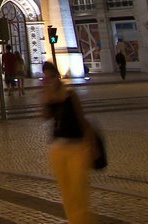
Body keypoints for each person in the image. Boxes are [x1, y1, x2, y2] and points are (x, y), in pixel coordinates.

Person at [42, 61, 95, 224]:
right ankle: (75, 220)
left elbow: (82, 118)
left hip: (76, 147)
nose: (49, 80)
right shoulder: (49, 98)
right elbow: (44, 116)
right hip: (58, 148)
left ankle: (82, 220)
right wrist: (46, 95)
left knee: (78, 189)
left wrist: (91, 144)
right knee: (66, 192)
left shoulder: (71, 95)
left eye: (51, 77)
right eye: (46, 78)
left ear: (57, 76)